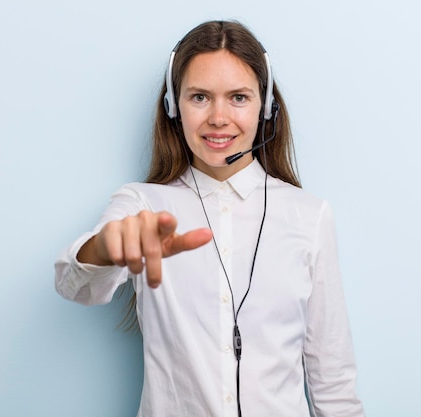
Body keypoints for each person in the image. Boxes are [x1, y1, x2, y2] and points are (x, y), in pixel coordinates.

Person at [55, 20, 365, 417]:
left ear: (266, 106)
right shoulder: (141, 204)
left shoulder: (309, 216)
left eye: (238, 97)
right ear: (173, 106)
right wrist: (104, 247)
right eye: (199, 97)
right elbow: (74, 286)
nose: (219, 118)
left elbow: (332, 377)